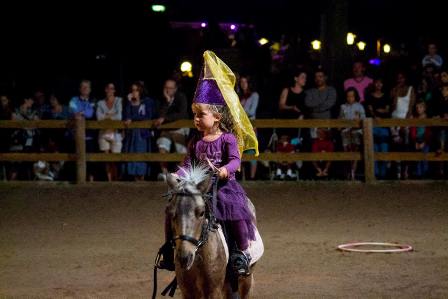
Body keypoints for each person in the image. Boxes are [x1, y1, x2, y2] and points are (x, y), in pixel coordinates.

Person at [158, 51, 260, 276]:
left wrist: (223, 170)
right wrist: (179, 175)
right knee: (173, 209)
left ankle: (240, 253)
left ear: (216, 117)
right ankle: (169, 250)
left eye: (200, 114)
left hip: (223, 187)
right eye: (194, 115)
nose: (195, 119)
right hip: (199, 188)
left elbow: (235, 161)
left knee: (234, 211)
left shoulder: (228, 139)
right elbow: (188, 162)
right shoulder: (196, 141)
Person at [154, 79, 189, 181]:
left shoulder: (181, 97)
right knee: (162, 146)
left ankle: (180, 175)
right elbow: (159, 115)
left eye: (170, 88)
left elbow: (181, 114)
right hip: (166, 129)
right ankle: (164, 174)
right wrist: (167, 101)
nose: (168, 90)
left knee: (181, 150)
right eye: (166, 87)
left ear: (175, 88)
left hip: (179, 129)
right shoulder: (162, 99)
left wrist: (166, 118)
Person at [122, 82, 157, 181]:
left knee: (142, 153)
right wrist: (130, 103)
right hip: (132, 134)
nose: (134, 92)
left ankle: (142, 176)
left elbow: (147, 116)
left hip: (143, 133)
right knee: (132, 153)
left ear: (141, 90)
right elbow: (126, 116)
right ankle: (134, 178)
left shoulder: (148, 101)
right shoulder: (129, 102)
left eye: (136, 90)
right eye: (132, 90)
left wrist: (133, 118)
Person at [96, 83, 123, 181]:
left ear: (114, 90)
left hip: (115, 133)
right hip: (104, 133)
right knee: (106, 158)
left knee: (115, 159)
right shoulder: (100, 103)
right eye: (108, 88)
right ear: (105, 90)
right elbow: (99, 118)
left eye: (112, 88)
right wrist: (112, 115)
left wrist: (106, 115)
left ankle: (116, 179)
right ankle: (109, 180)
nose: (110, 90)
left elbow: (119, 117)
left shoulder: (118, 101)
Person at [339, 88, 366, 180]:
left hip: (356, 132)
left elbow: (363, 119)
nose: (350, 98)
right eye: (348, 96)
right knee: (347, 152)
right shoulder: (343, 107)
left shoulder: (359, 106)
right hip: (345, 132)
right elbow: (340, 119)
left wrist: (358, 121)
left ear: (355, 96)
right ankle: (347, 174)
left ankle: (353, 173)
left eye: (352, 96)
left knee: (354, 152)